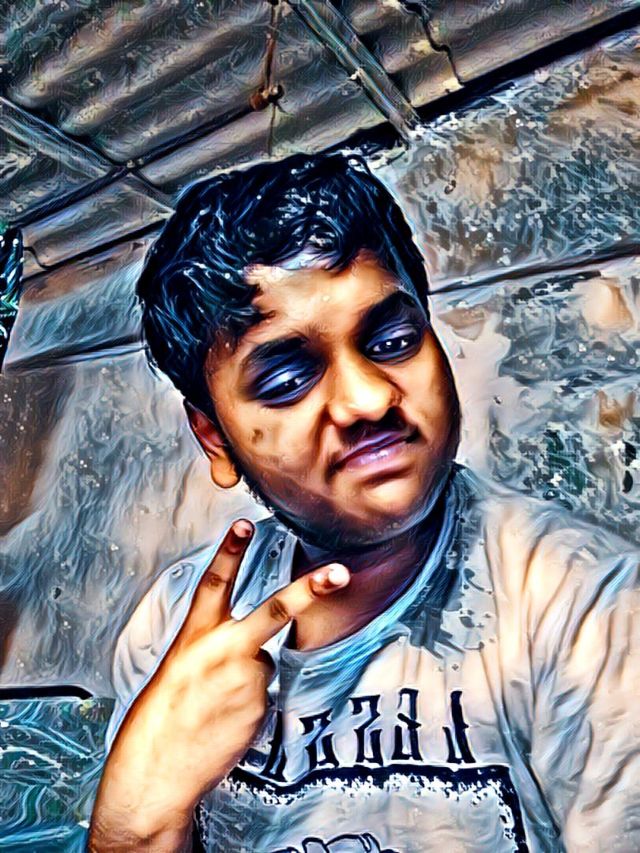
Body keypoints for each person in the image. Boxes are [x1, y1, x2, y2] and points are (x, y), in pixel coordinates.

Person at [89, 153, 639, 853]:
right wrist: (137, 819)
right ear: (215, 439)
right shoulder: (174, 629)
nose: (369, 398)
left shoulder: (584, 607)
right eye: (286, 379)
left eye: (394, 341)